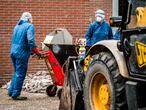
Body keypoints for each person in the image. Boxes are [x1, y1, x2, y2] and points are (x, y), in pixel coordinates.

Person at [8, 12, 45, 100]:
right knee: (20, 73)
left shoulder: (17, 26)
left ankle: (11, 91)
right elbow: (30, 40)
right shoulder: (29, 26)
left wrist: (31, 52)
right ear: (28, 18)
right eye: (31, 18)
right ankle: (16, 94)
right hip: (21, 53)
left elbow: (20, 40)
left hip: (13, 51)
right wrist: (36, 51)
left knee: (16, 72)